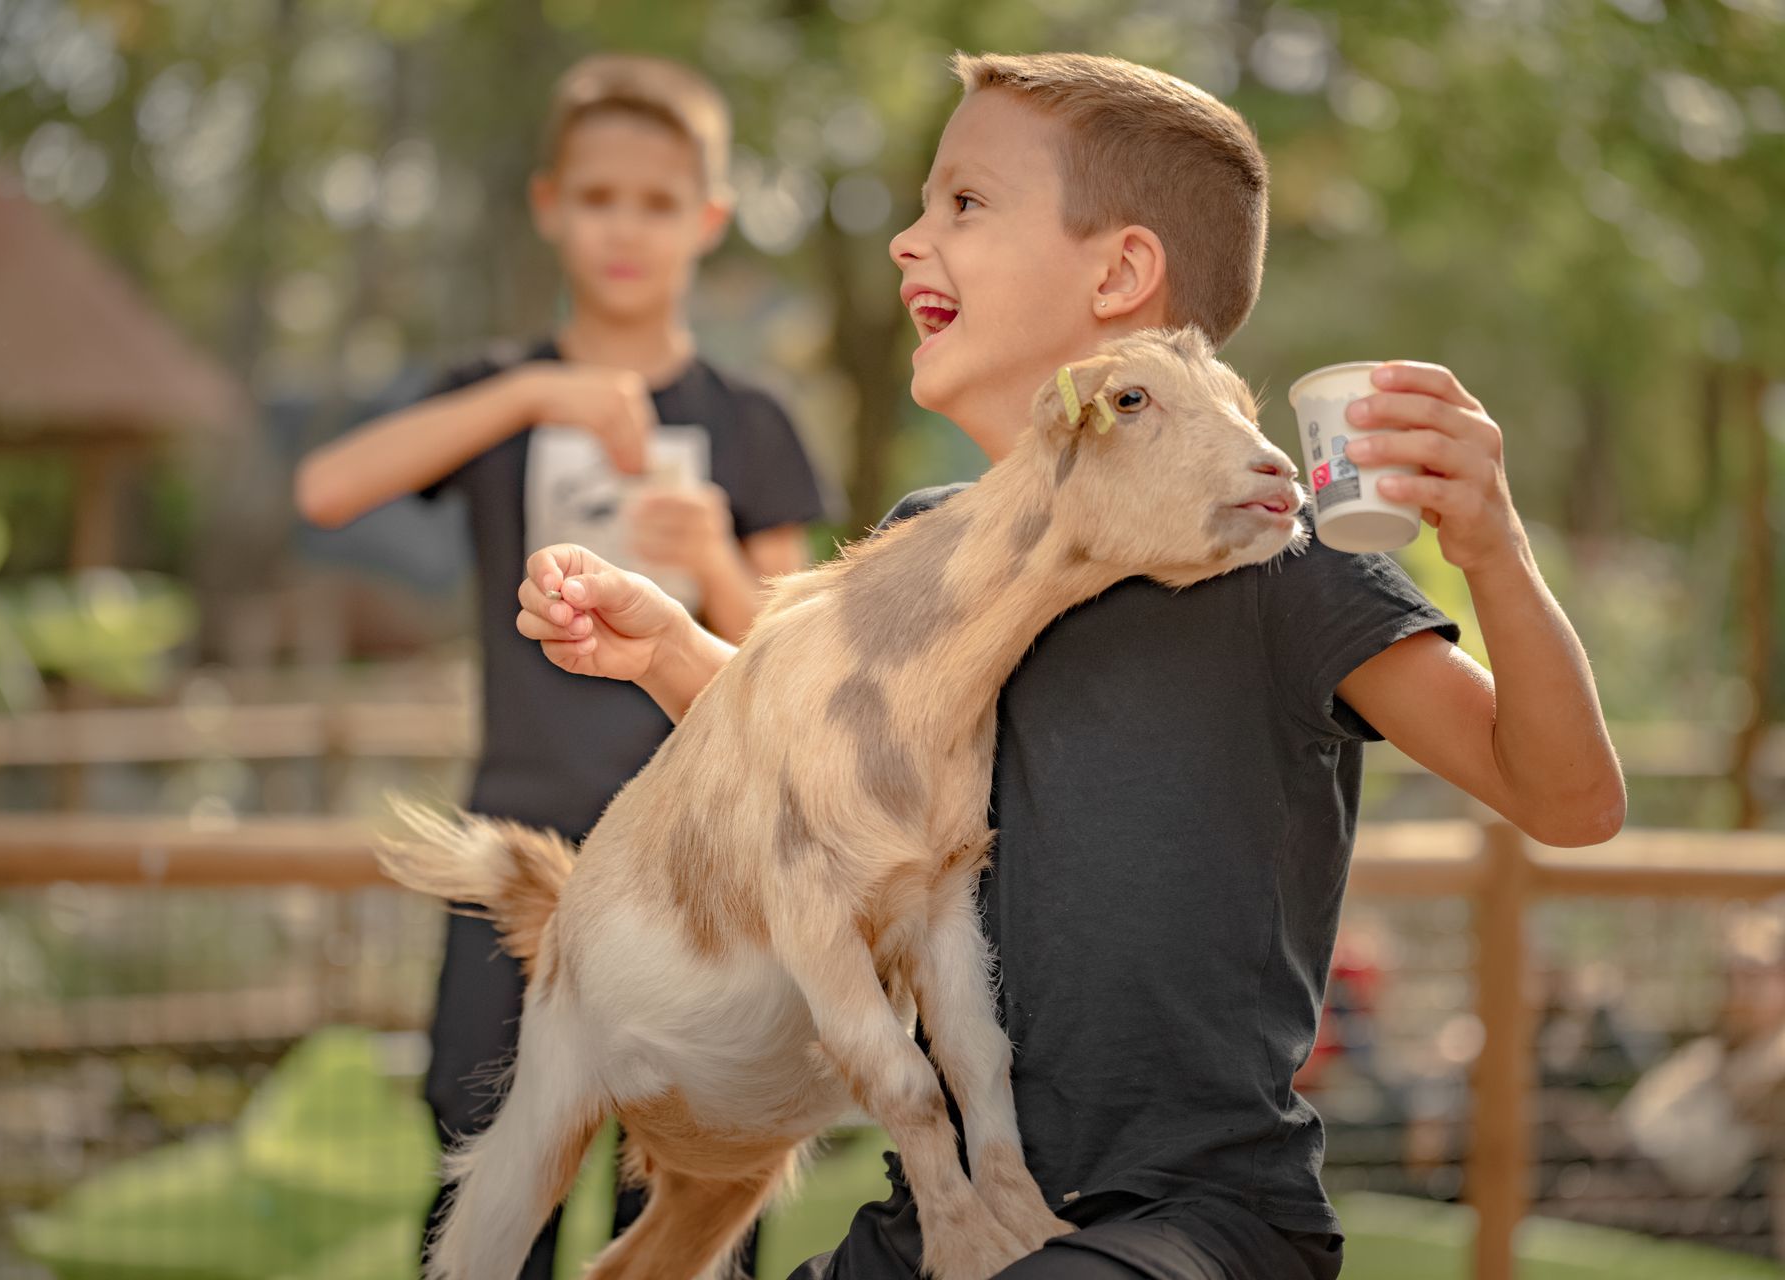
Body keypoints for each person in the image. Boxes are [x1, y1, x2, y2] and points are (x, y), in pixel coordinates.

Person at [510, 51, 1627, 1279]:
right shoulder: (930, 537)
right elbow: (822, 770)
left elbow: (1566, 798)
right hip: (948, 1217)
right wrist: (676, 653)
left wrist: (1496, 549)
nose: (906, 239)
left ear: (1121, 276)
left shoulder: (1277, 563)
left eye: (965, 205)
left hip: (1192, 1225)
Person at [295, 53, 831, 1277]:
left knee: (705, 1190)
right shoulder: (497, 396)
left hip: (707, 865)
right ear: (551, 207)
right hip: (513, 848)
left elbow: (790, 668)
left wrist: (716, 560)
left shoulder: (752, 421)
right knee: (487, 1180)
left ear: (705, 219)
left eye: (656, 202)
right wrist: (540, 389)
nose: (624, 228)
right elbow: (327, 489)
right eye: (598, 197)